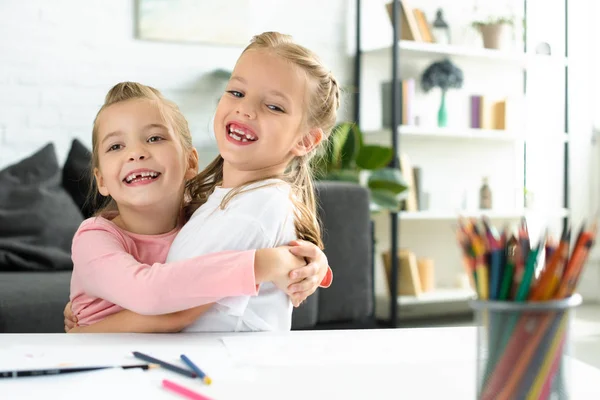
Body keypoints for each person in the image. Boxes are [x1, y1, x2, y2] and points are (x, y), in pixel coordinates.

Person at [66, 31, 339, 333]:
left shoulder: (244, 210)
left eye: (274, 106)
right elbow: (158, 295)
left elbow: (176, 307)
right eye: (236, 93)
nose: (136, 154)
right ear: (101, 180)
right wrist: (270, 262)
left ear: (190, 162)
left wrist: (312, 265)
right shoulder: (205, 211)